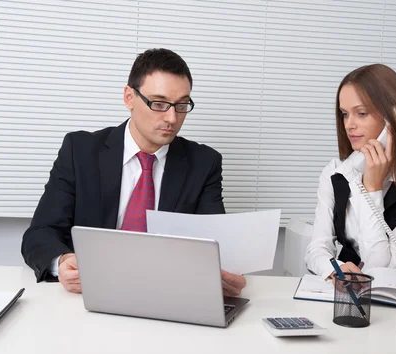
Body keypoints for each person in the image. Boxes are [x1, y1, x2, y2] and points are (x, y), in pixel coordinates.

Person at [21, 48, 246, 296]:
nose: (172, 118)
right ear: (129, 97)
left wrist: (225, 271)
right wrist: (62, 262)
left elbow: (214, 245)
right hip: (92, 291)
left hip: (166, 294)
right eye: (159, 104)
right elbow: (40, 233)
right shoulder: (80, 151)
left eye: (182, 105)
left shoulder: (204, 163)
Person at [304, 64, 396, 283]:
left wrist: (372, 189)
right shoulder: (336, 173)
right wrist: (333, 269)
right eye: (345, 114)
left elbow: (378, 267)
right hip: (346, 297)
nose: (349, 125)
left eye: (362, 113)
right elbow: (316, 249)